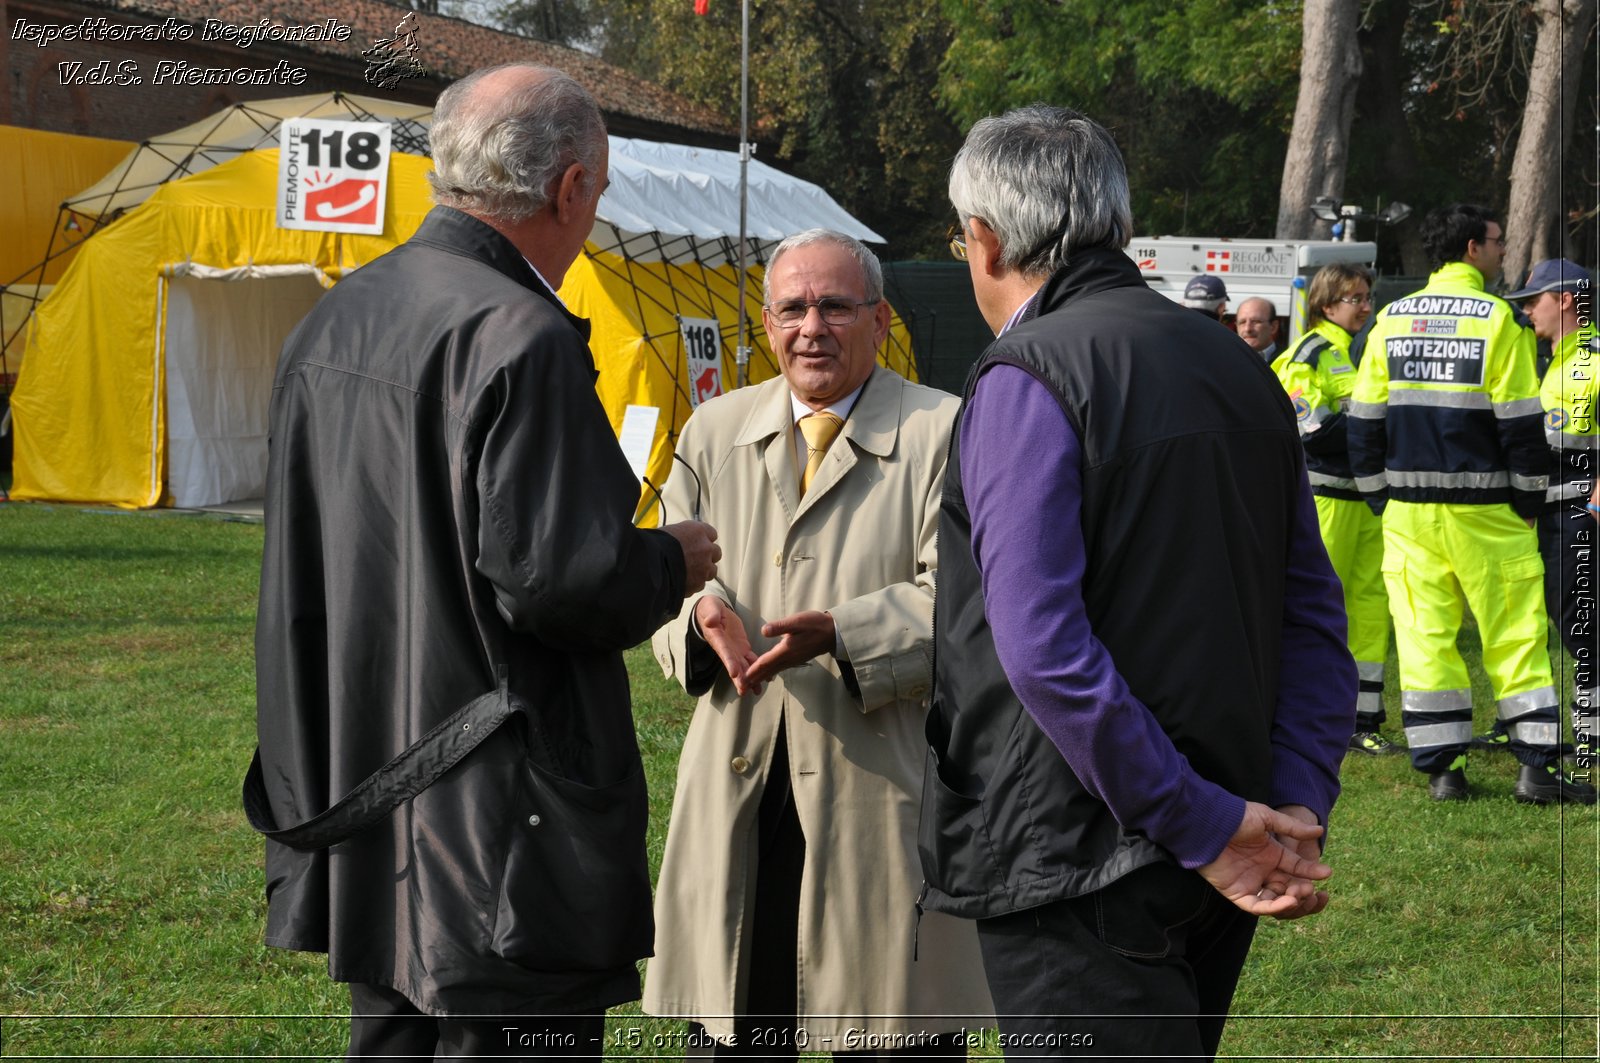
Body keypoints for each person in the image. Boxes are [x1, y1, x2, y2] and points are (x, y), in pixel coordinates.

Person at [248, 63, 721, 1058]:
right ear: (571, 189)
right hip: (496, 820)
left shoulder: (337, 314)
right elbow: (563, 582)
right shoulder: (521, 332)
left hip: (369, 782)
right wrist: (669, 561)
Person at [919, 104, 1354, 1061]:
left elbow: (1040, 643)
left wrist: (1215, 823)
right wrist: (1290, 801)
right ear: (1117, 224)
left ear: (984, 242)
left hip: (1084, 846)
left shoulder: (1027, 372)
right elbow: (1315, 614)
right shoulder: (1241, 369)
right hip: (1219, 827)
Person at [644, 229, 990, 1060]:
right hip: (741, 780)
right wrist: (696, 622)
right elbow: (658, 580)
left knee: (891, 1026)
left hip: (884, 788)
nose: (813, 327)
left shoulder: (947, 430)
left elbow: (973, 604)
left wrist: (844, 633)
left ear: (879, 319)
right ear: (766, 323)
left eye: (836, 306)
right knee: (737, 1022)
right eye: (793, 307)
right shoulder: (712, 427)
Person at [1348, 204, 1595, 804]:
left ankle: (1444, 774)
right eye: (1497, 240)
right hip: (1487, 511)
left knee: (1424, 638)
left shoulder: (1389, 320)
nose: (1502, 250)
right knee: (1514, 634)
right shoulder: (1498, 321)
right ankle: (1536, 770)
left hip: (1408, 514)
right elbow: (1519, 425)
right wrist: (1529, 500)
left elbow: (1363, 423)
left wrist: (1382, 497)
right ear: (1470, 248)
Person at [1271, 265, 1399, 756]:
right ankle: (1299, 714)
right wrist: (1379, 435)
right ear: (1327, 305)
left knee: (1370, 606)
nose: (1365, 307)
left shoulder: (1355, 353)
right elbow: (1314, 430)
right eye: (1355, 298)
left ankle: (1361, 720)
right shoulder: (1308, 354)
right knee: (1316, 607)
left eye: (1368, 297)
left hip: (1365, 499)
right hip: (1326, 501)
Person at [1505, 258, 1599, 771]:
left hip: (1580, 513)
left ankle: (1593, 735)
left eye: (1532, 301)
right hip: (1546, 514)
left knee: (1583, 626)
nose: (1526, 312)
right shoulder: (1547, 359)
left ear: (1564, 300)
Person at [1235, 296, 1281, 360]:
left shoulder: (1288, 360)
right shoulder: (1225, 359)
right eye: (1242, 322)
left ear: (1273, 327)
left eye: (1255, 321)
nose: (1247, 329)